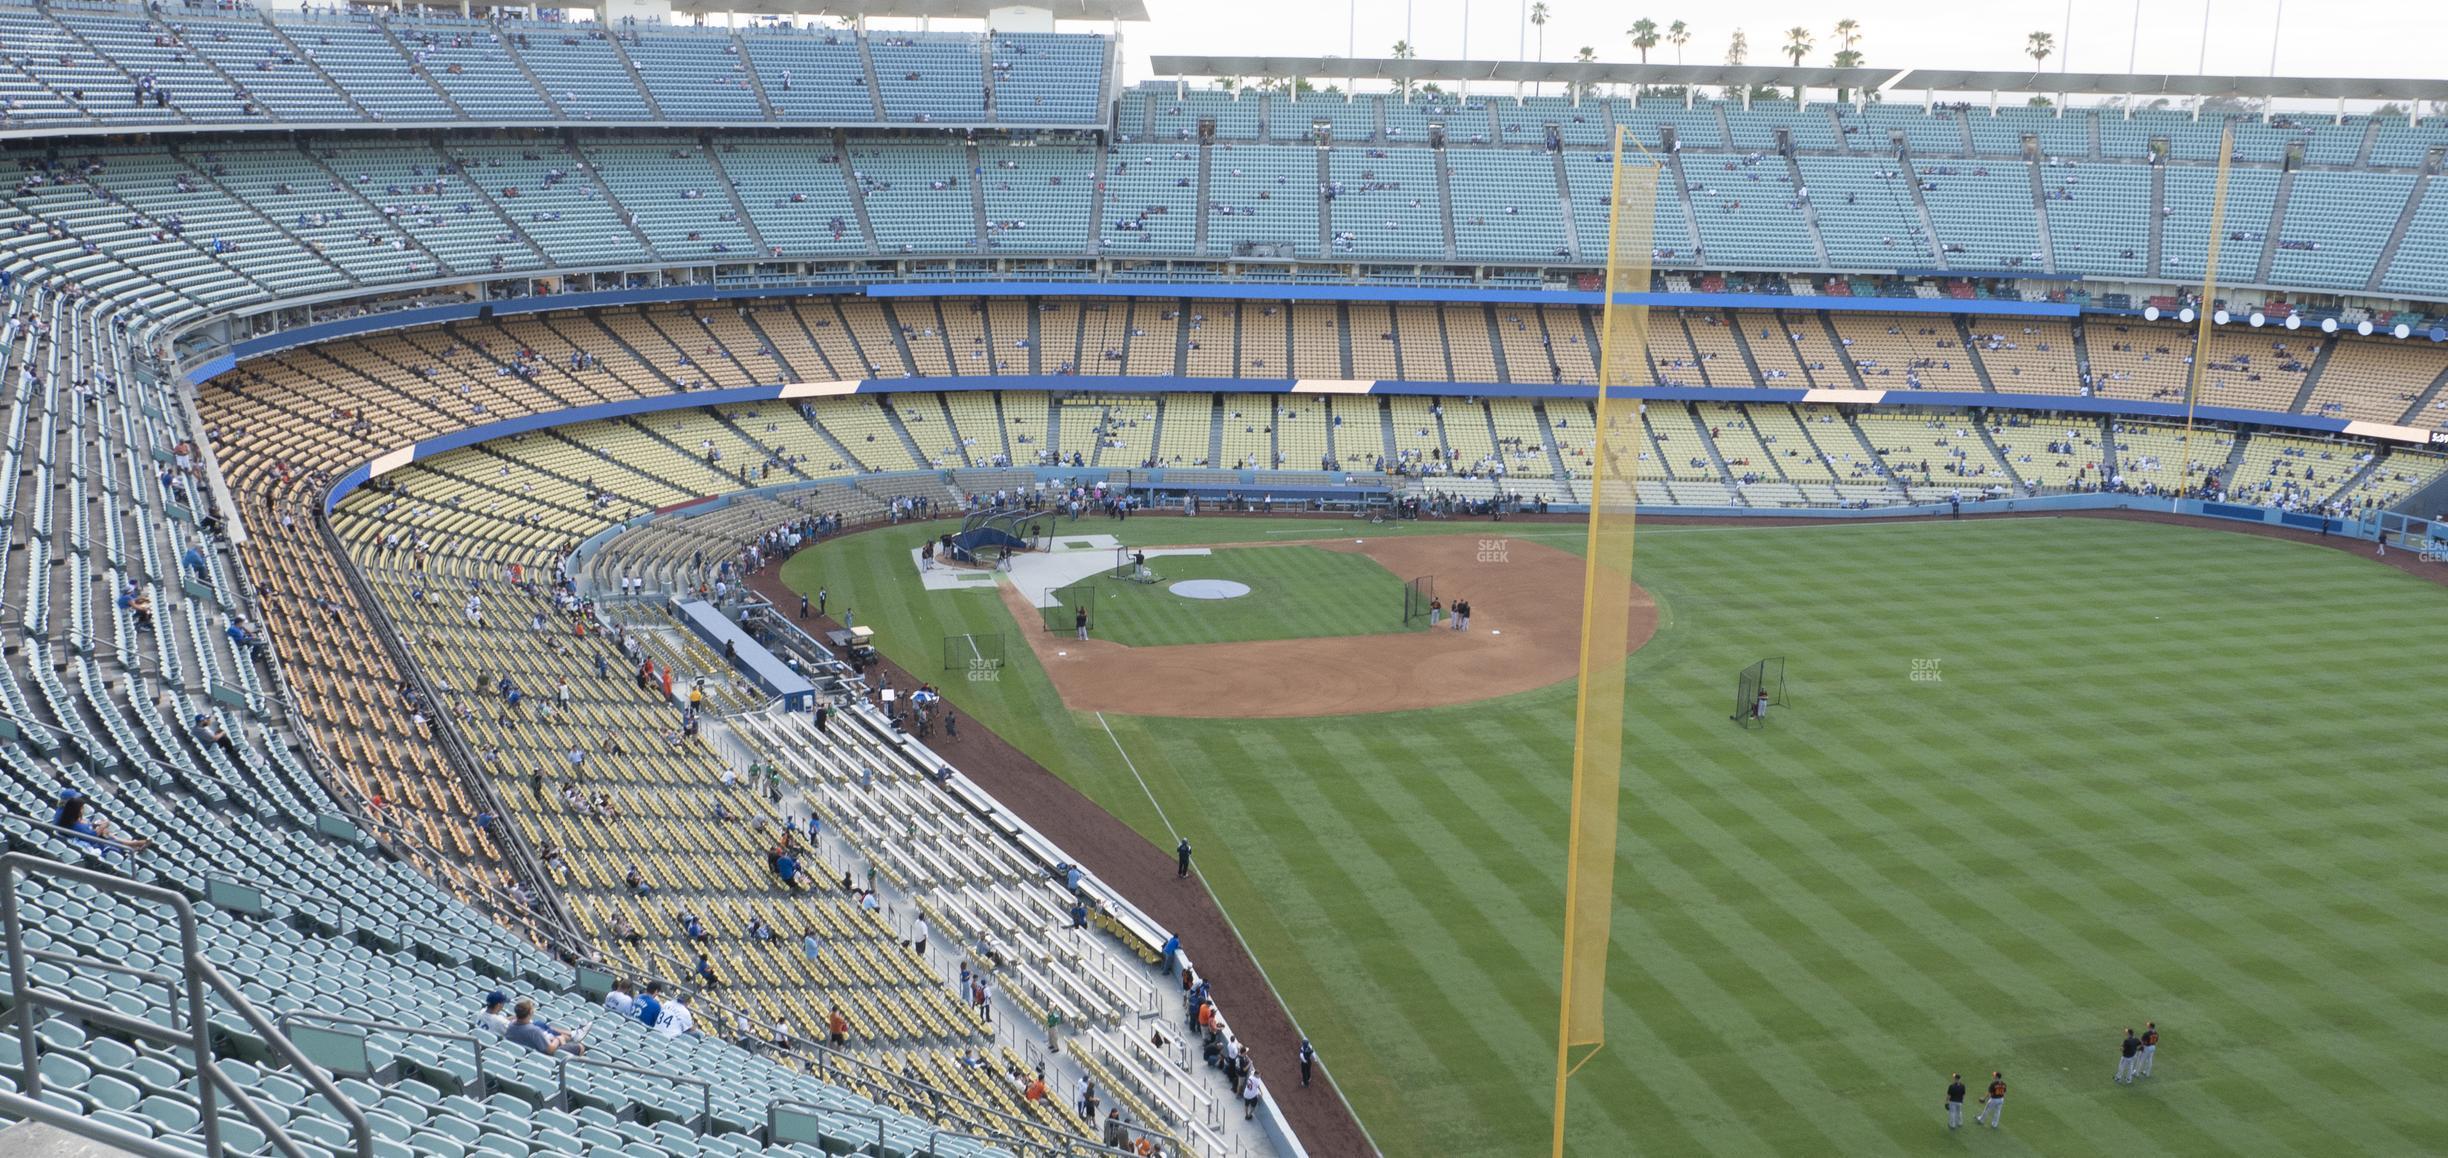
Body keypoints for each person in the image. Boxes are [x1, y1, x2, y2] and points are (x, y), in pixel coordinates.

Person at [505, 999, 582, 1056]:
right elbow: (551, 1050)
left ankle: (572, 1035)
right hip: (542, 1055)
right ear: (531, 1013)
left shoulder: (510, 1025)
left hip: (523, 1052)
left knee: (562, 1037)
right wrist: (557, 1039)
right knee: (580, 1047)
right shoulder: (534, 1030)